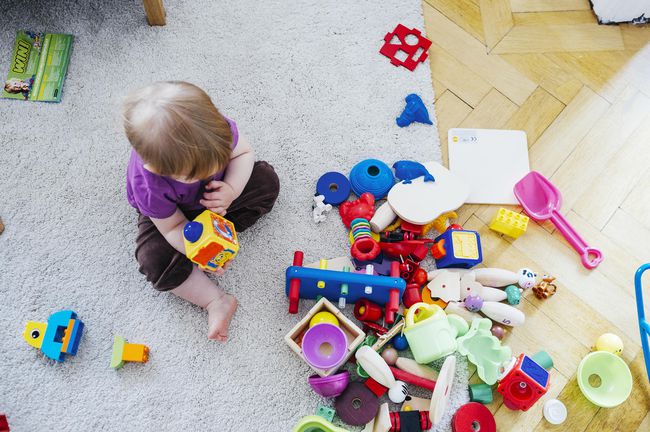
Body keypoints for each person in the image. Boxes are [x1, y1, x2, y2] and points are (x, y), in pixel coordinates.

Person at [123, 81, 279, 341]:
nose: (208, 172)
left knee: (265, 181)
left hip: (217, 198)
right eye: (195, 174)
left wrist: (230, 188)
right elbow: (172, 228)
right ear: (156, 169)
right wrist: (203, 252)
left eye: (215, 162)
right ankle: (215, 300)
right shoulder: (149, 185)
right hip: (173, 218)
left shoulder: (214, 130)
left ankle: (222, 228)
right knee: (154, 260)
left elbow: (243, 154)